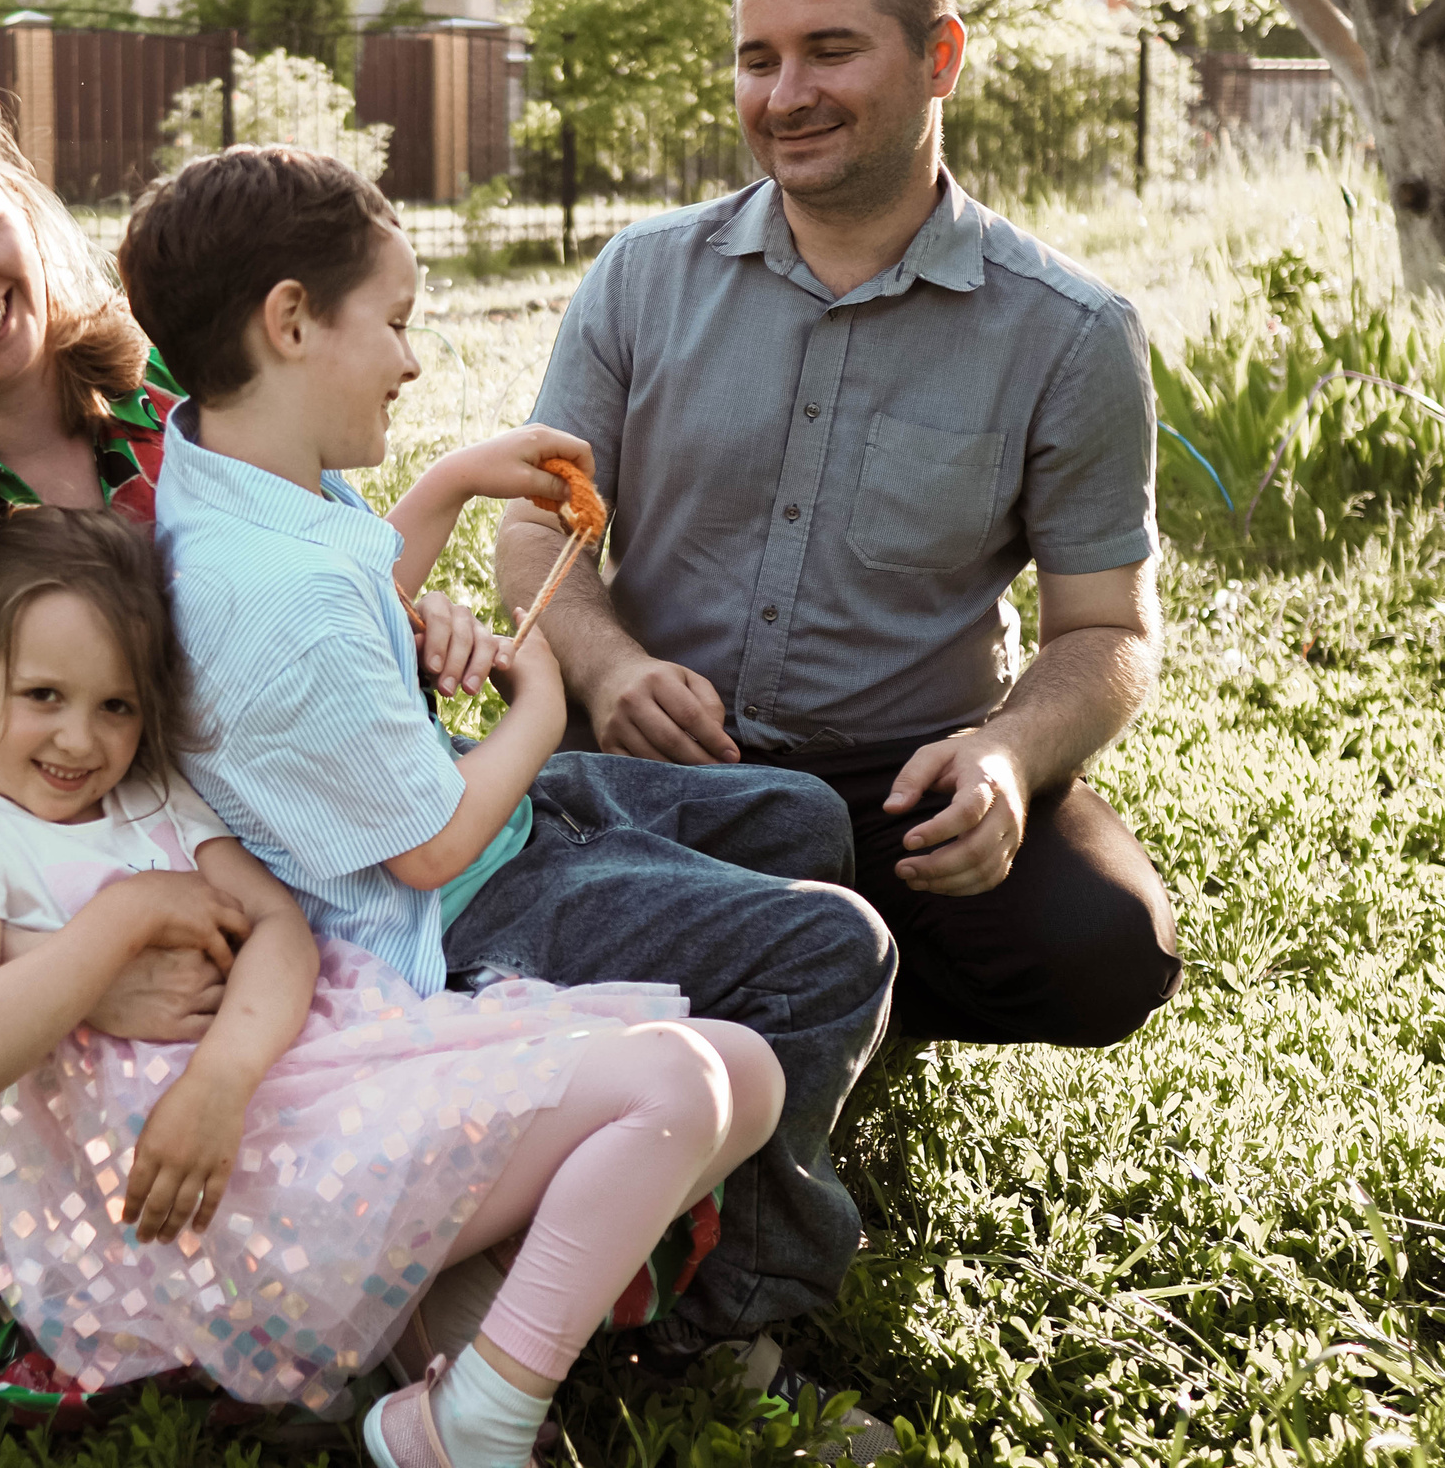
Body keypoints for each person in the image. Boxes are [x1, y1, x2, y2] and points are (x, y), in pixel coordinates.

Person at [0, 75, 520, 1444]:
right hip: (201, 979)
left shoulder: (174, 401)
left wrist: (415, 609)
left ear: (22, 206)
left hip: (376, 853)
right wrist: (84, 965)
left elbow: (322, 600)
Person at [119, 147, 899, 1438]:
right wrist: (536, 698)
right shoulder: (269, 598)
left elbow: (352, 599)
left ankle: (689, 1170)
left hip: (483, 825)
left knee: (800, 817)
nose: (413, 361)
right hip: (452, 915)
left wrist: (447, 485)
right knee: (834, 950)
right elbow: (430, 848)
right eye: (396, 324)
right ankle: (716, 1323)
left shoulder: (229, 467)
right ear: (291, 320)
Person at [0, 505, 781, 1468]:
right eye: (43, 695)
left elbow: (278, 932)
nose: (79, 739)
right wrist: (125, 916)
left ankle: (450, 1338)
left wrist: (225, 1074)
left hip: (294, 1084)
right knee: (675, 1086)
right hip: (216, 1190)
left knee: (748, 1073)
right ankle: (479, 1421)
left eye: (117, 707)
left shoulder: (151, 796)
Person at [496, 0, 1183, 1063]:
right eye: (756, 59)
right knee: (479, 909)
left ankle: (822, 984)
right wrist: (609, 671)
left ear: (939, 58)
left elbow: (1106, 628)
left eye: (829, 50)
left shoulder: (1069, 333)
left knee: (1103, 950)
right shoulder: (640, 277)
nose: (784, 95)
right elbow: (534, 530)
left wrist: (1009, 756)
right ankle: (789, 979)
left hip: (901, 784)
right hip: (657, 754)